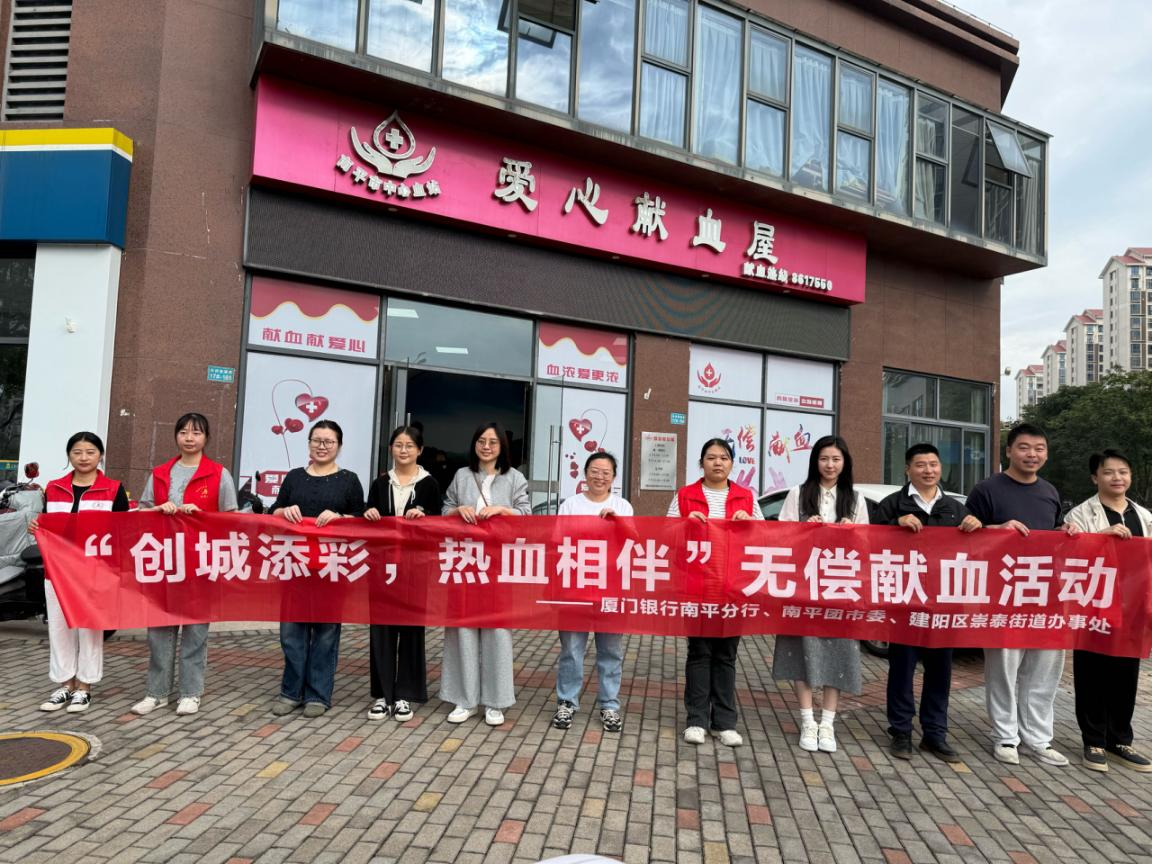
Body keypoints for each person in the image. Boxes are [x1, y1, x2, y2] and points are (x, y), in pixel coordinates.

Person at [966, 422, 1080, 767]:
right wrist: (995, 529)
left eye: (1039, 448)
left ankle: (1038, 738)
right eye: (1024, 447)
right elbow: (964, 538)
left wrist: (1065, 529)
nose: (1032, 454)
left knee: (1044, 670)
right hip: (1002, 594)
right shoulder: (986, 490)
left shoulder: (1049, 491)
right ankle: (1005, 736)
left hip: (1045, 594)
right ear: (1009, 451)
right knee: (1003, 668)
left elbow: (1053, 531)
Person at [874, 443, 982, 763]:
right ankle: (901, 731)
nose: (928, 470)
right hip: (905, 601)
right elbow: (869, 542)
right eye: (920, 465)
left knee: (940, 671)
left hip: (943, 604)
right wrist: (894, 525)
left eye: (933, 464)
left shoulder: (955, 509)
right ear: (908, 469)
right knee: (902, 669)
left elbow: (976, 552)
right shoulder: (892, 505)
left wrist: (977, 527)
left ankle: (935, 733)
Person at [132, 413, 239, 717]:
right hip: (164, 561)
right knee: (159, 631)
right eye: (183, 432)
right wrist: (157, 509)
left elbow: (232, 519)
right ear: (176, 436)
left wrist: (203, 515)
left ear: (206, 438)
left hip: (200, 562)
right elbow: (140, 512)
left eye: (196, 433)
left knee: (195, 631)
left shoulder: (218, 474)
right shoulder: (160, 473)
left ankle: (191, 693)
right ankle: (156, 692)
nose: (189, 438)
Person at [772, 434, 868, 754]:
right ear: (815, 461)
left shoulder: (855, 499)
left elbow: (867, 545)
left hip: (839, 587)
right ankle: (807, 720)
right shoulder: (798, 494)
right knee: (800, 651)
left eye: (836, 459)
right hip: (803, 586)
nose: (830, 465)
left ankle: (827, 722)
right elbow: (780, 538)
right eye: (824, 458)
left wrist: (851, 532)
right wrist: (803, 529)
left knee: (838, 653)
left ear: (845, 463)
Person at [668, 438, 762, 747]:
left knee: (726, 655)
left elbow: (765, 538)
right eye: (711, 457)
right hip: (697, 587)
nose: (717, 462)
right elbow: (666, 535)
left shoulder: (746, 497)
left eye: (723, 457)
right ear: (701, 463)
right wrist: (685, 524)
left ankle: (724, 722)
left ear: (732, 463)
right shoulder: (685, 495)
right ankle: (696, 720)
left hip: (733, 588)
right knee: (699, 653)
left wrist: (750, 523)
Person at [1064, 450, 1152, 773]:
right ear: (1095, 478)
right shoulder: (1080, 514)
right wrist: (1102, 537)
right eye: (1109, 472)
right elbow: (1068, 554)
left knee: (1126, 674)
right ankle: (1093, 740)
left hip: (1133, 607)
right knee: (1092, 672)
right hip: (1095, 605)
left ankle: (1120, 739)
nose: (1117, 478)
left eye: (1123, 472)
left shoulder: (1144, 516)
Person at [270, 420, 365, 717]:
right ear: (309, 443)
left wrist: (340, 518)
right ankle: (291, 691)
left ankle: (318, 695)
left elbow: (361, 520)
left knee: (325, 633)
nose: (322, 446)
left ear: (339, 446)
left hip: (331, 568)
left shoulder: (349, 480)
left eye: (329, 441)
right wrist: (283, 511)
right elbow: (273, 511)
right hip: (294, 565)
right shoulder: (294, 477)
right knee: (291, 632)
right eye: (317, 440)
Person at [31, 432, 130, 713]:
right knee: (59, 627)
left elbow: (124, 531)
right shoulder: (53, 488)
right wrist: (35, 527)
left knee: (89, 629)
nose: (83, 458)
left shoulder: (113, 489)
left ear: (100, 455)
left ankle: (84, 686)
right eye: (77, 452)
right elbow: (45, 523)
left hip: (94, 572)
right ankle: (65, 684)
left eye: (90, 452)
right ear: (69, 456)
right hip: (58, 570)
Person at [441, 422, 530, 726]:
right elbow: (445, 509)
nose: (487, 446)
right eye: (481, 440)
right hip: (464, 562)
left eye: (493, 441)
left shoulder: (514, 477)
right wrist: (457, 511)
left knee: (497, 632)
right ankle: (464, 700)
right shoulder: (461, 475)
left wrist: (503, 510)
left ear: (502, 446)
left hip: (498, 565)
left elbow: (527, 515)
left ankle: (495, 702)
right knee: (462, 630)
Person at [363, 425, 442, 722]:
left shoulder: (430, 484)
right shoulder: (380, 483)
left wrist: (425, 517)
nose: (404, 450)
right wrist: (369, 514)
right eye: (398, 445)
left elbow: (439, 524)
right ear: (391, 449)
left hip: (414, 570)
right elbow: (366, 516)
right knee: (381, 631)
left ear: (419, 450)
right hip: (382, 569)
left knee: (411, 631)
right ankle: (382, 695)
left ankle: (405, 695)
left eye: (410, 445)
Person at [553, 452, 632, 733]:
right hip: (575, 588)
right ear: (585, 474)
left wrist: (618, 522)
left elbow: (635, 542)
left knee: (611, 651)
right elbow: (557, 541)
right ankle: (566, 702)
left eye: (606, 472)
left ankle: (609, 704)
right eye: (595, 471)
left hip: (611, 589)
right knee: (572, 650)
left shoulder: (623, 506)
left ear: (614, 477)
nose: (600, 477)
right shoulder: (571, 505)